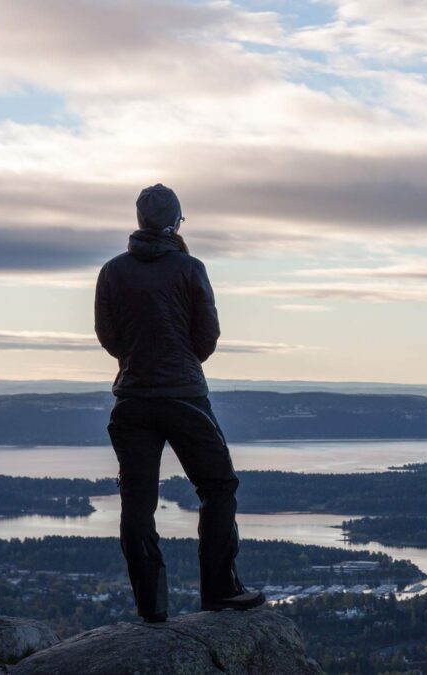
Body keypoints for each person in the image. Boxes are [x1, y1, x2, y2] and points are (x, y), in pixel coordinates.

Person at [94, 183, 264, 622]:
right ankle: (220, 591)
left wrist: (137, 359)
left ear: (139, 221)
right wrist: (179, 359)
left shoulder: (112, 271)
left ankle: (151, 608)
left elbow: (109, 337)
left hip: (131, 399)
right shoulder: (190, 268)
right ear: (175, 223)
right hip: (185, 397)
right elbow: (206, 339)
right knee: (218, 487)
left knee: (137, 502)